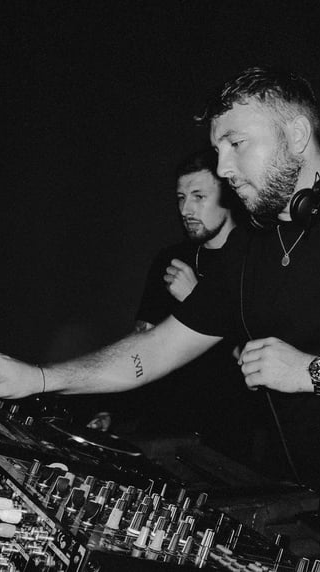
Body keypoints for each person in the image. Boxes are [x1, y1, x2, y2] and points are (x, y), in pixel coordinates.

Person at [0, 66, 320, 561]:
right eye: (218, 149)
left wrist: (310, 372)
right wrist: (39, 378)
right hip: (303, 522)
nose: (222, 168)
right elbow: (153, 351)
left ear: (297, 135)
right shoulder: (247, 253)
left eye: (237, 144)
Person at [95, 148, 263, 460]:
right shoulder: (170, 260)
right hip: (160, 428)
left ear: (228, 197)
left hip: (225, 436)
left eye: (199, 196)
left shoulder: (254, 261)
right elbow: (142, 343)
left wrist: (196, 300)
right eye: (181, 198)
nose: (186, 209)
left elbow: (253, 357)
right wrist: (112, 410)